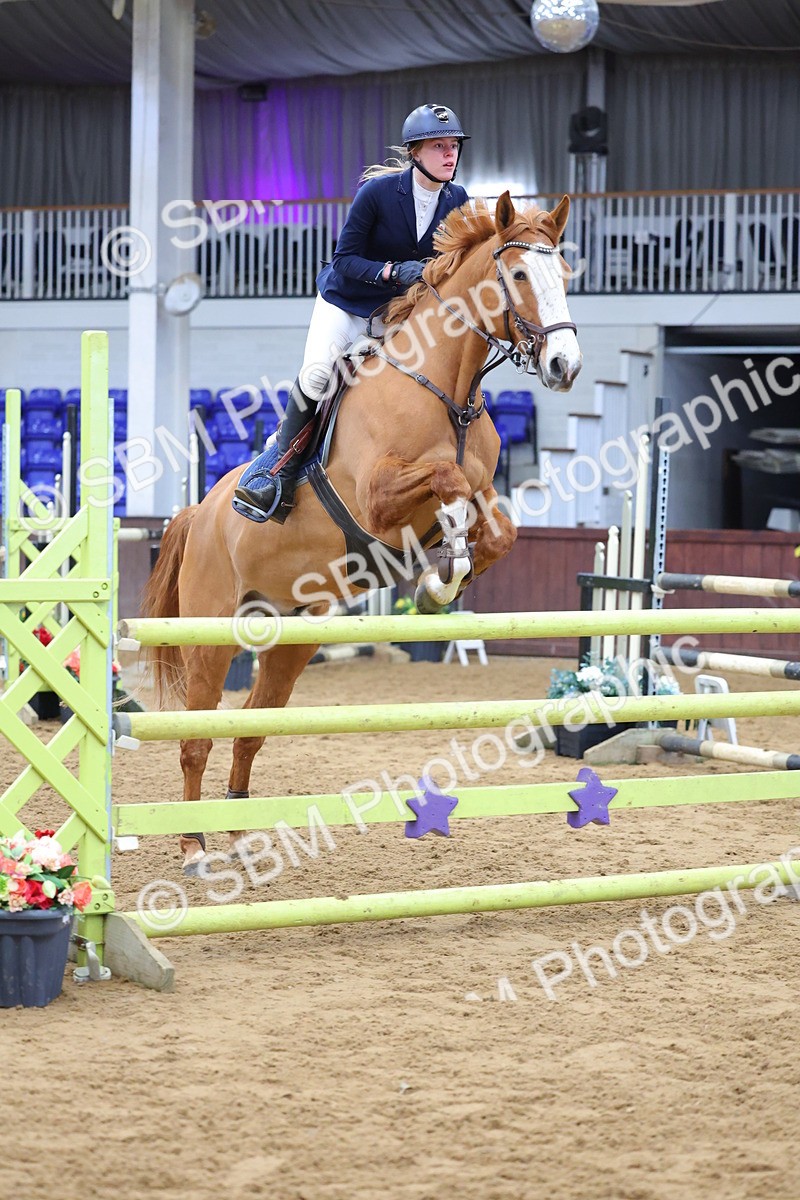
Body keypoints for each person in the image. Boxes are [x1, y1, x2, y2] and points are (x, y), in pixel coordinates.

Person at [233, 103, 470, 524]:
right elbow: (344, 259)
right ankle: (278, 471)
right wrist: (394, 270)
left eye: (453, 146)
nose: (450, 155)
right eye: (439, 146)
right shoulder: (376, 194)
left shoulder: (458, 199)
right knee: (318, 375)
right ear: (415, 152)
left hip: (394, 312)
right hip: (346, 303)